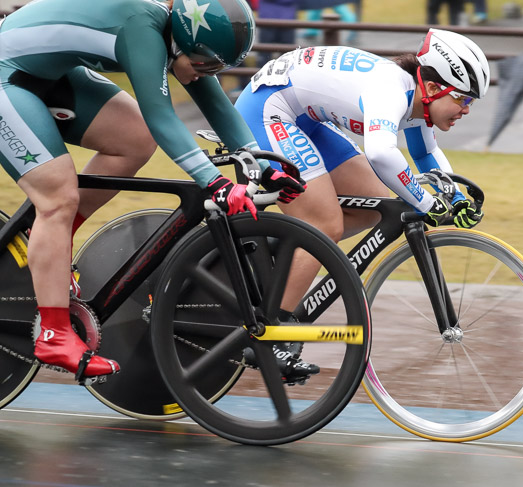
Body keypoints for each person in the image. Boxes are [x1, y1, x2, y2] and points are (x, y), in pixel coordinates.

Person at [0, 0, 306, 382]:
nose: (206, 74)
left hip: (48, 73)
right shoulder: (142, 30)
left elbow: (216, 105)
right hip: (6, 76)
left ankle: (48, 241)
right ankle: (53, 335)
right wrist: (215, 182)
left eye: (217, 68)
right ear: (182, 43)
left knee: (134, 139)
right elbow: (162, 117)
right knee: (58, 198)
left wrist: (265, 168)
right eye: (204, 64)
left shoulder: (180, 33)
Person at [235, 29, 489, 379]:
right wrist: (429, 202)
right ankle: (272, 333)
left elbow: (425, 154)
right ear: (432, 88)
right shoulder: (392, 92)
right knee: (325, 225)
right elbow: (382, 153)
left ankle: (289, 245)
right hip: (267, 109)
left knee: (379, 203)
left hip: (302, 116)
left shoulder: (418, 101)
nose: (466, 109)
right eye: (463, 99)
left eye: (471, 102)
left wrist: (456, 197)